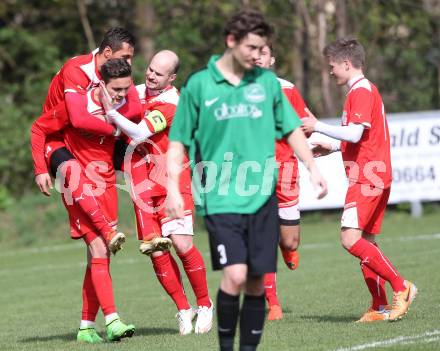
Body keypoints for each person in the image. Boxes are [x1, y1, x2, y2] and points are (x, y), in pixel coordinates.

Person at [166, 10, 327, 351]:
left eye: (262, 48)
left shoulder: (266, 84)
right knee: (236, 275)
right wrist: (171, 189)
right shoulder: (199, 85)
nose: (258, 55)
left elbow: (291, 128)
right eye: (252, 48)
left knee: (255, 282)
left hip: (262, 194)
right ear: (231, 42)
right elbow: (178, 140)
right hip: (221, 195)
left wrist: (312, 166)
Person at [301, 37, 417, 322]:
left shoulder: (361, 91)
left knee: (349, 239)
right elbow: (360, 138)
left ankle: (402, 287)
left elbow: (354, 134)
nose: (330, 72)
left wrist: (318, 127)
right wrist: (331, 147)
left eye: (332, 67)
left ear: (346, 63)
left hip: (368, 176)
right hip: (373, 173)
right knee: (367, 241)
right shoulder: (362, 91)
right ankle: (378, 306)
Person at [102, 50, 213, 335]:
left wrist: (113, 112)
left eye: (159, 73)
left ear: (172, 78)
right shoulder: (136, 91)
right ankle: (182, 309)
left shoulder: (171, 103)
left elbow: (139, 133)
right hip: (141, 182)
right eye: (150, 69)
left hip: (172, 181)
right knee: (155, 250)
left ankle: (204, 305)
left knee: (182, 245)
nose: (151, 75)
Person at [31, 59, 137, 343]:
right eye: (116, 89)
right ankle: (113, 320)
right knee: (100, 248)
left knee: (98, 260)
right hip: (79, 189)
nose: (121, 95)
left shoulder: (123, 109)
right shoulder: (75, 107)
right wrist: (41, 169)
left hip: (106, 187)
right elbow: (38, 129)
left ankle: (86, 327)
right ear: (101, 84)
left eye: (126, 89)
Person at [34, 27, 140, 253]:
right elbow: (78, 119)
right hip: (58, 139)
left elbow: (136, 109)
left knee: (142, 162)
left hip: (91, 142)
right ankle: (108, 230)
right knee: (72, 170)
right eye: (126, 57)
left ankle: (151, 231)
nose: (129, 63)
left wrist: (113, 118)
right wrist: (114, 130)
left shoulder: (116, 74)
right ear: (108, 52)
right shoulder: (78, 69)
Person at [255, 43, 310, 321]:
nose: (257, 57)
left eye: (262, 53)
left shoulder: (287, 89)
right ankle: (273, 304)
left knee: (290, 241)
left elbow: (305, 125)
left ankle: (287, 249)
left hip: (285, 171)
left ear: (272, 59)